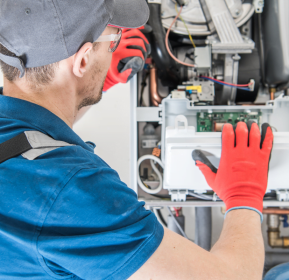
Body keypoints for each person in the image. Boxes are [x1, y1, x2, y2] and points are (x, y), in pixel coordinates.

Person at [0, 1, 273, 279]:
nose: (115, 47)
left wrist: (92, 83)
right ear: (82, 61)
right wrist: (244, 196)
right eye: (113, 38)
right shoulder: (70, 192)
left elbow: (34, 122)